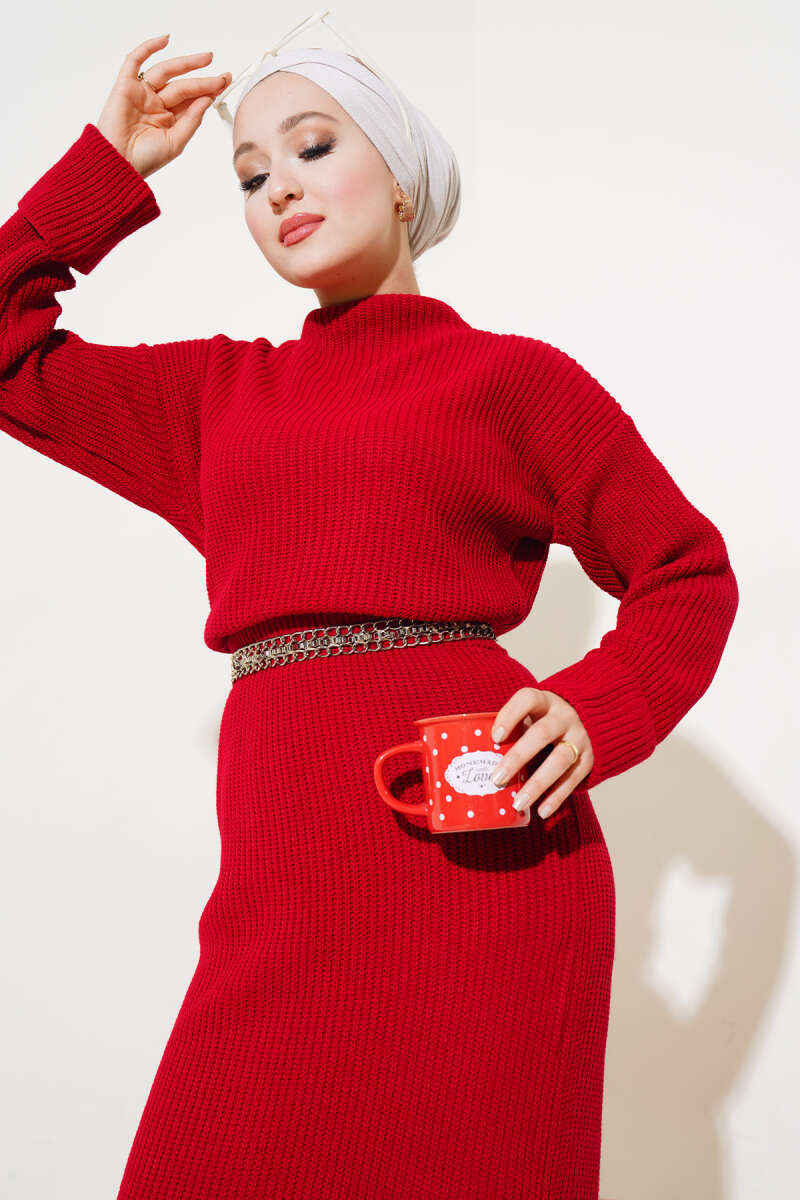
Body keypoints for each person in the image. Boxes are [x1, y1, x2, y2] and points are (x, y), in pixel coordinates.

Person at [1, 24, 739, 1200]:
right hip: (283, 881)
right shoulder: (216, 399)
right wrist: (107, 164)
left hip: (479, 861)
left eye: (310, 147)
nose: (278, 188)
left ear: (397, 176)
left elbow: (685, 571)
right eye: (249, 176)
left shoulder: (510, 381)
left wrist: (598, 707)